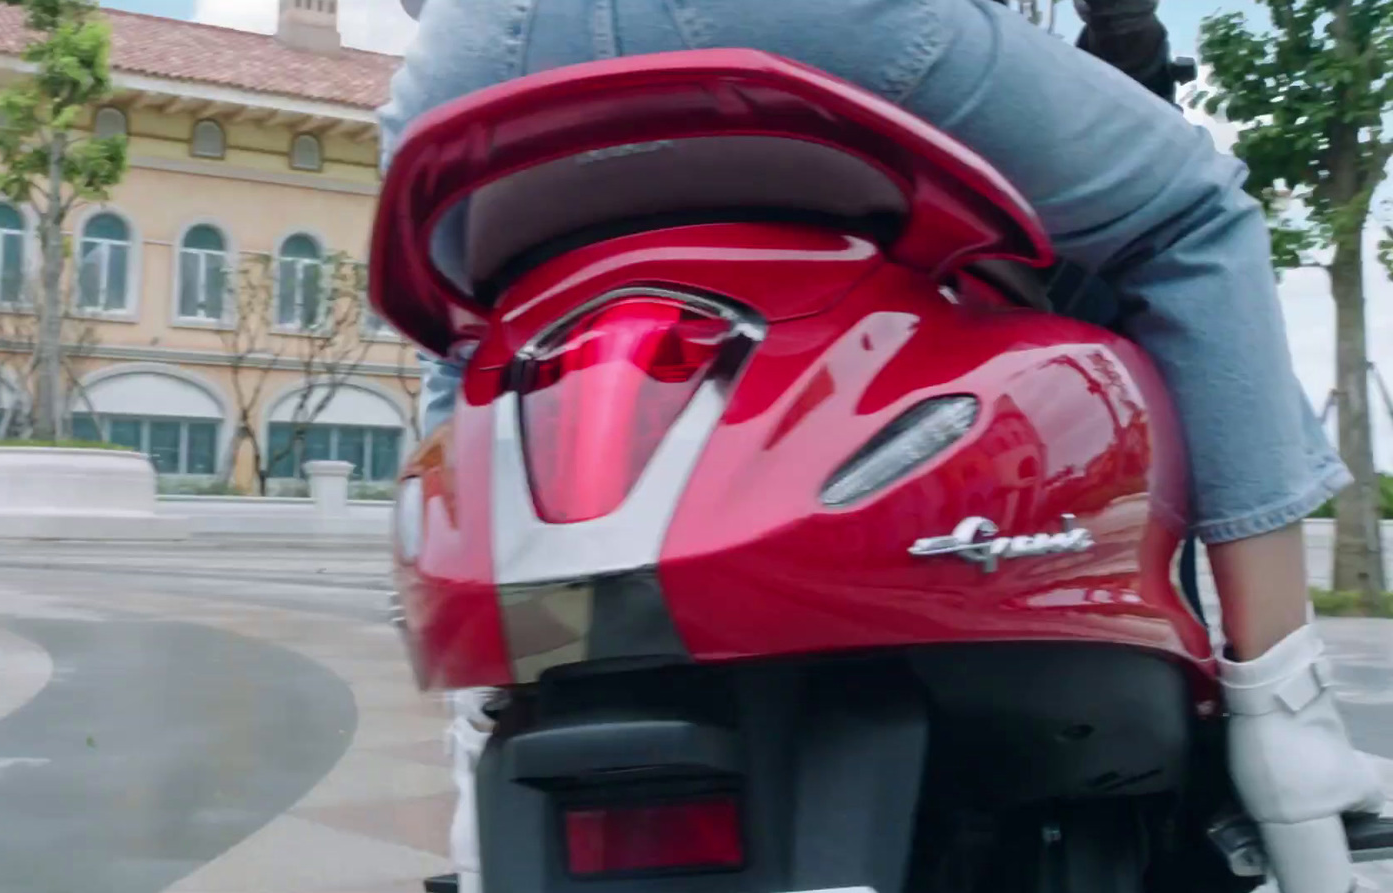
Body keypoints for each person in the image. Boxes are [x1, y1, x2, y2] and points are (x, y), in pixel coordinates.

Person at [378, 2, 1383, 891]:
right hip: (812, 21)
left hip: (474, 45)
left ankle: (496, 711)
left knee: (489, 325)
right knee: (1191, 213)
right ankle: (1283, 720)